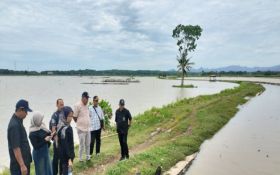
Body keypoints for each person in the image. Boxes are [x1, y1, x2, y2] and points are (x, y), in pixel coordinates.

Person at [7, 99, 33, 175]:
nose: (27, 114)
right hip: (19, 167)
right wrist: (22, 165)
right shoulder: (14, 125)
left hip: (23, 164)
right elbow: (16, 148)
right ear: (21, 109)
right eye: (26, 111)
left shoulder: (18, 122)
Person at [73, 92, 91, 161]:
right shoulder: (77, 105)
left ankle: (88, 157)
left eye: (88, 99)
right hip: (81, 129)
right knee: (82, 144)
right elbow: (74, 117)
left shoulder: (87, 105)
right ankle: (80, 158)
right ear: (83, 98)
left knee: (88, 144)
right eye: (87, 98)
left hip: (87, 128)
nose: (87, 100)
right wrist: (80, 122)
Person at [57, 106, 75, 175]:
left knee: (62, 172)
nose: (71, 119)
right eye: (69, 116)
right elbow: (67, 145)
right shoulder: (67, 129)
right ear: (64, 115)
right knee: (67, 172)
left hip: (62, 156)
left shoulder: (60, 126)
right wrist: (70, 158)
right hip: (67, 157)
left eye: (72, 116)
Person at [49, 99, 64, 175]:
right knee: (56, 158)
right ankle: (54, 173)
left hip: (63, 140)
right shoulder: (54, 115)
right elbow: (53, 129)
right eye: (60, 104)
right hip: (57, 140)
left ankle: (61, 172)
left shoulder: (64, 113)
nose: (62, 106)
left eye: (63, 104)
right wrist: (56, 142)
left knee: (62, 158)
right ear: (57, 105)